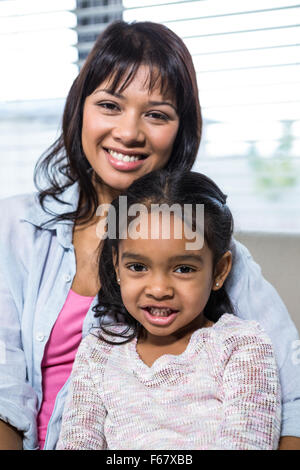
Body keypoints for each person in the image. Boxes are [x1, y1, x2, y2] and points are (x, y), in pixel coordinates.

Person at [0, 20, 299, 450]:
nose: (129, 132)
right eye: (110, 105)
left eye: (157, 114)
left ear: (181, 129)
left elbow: (293, 396)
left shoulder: (215, 252)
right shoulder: (16, 229)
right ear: (80, 108)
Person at [56, 170, 281, 450]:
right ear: (116, 266)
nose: (159, 289)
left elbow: (248, 442)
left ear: (219, 271)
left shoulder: (241, 346)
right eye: (138, 267)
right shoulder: (98, 352)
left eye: (183, 269)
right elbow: (77, 442)